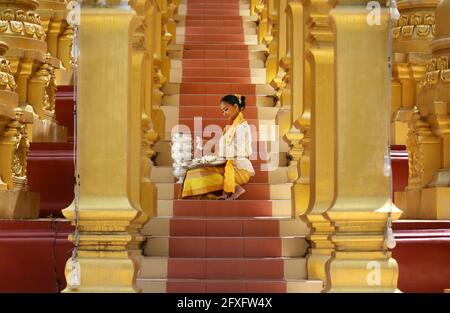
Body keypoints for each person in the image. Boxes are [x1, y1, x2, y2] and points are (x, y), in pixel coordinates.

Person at [180, 94, 255, 200]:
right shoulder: (231, 128)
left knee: (198, 177)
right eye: (222, 111)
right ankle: (232, 187)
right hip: (226, 166)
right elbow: (222, 148)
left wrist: (213, 147)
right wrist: (207, 145)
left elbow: (238, 150)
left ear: (236, 107)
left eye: (226, 110)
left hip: (239, 169)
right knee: (193, 173)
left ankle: (234, 186)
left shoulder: (243, 127)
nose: (224, 114)